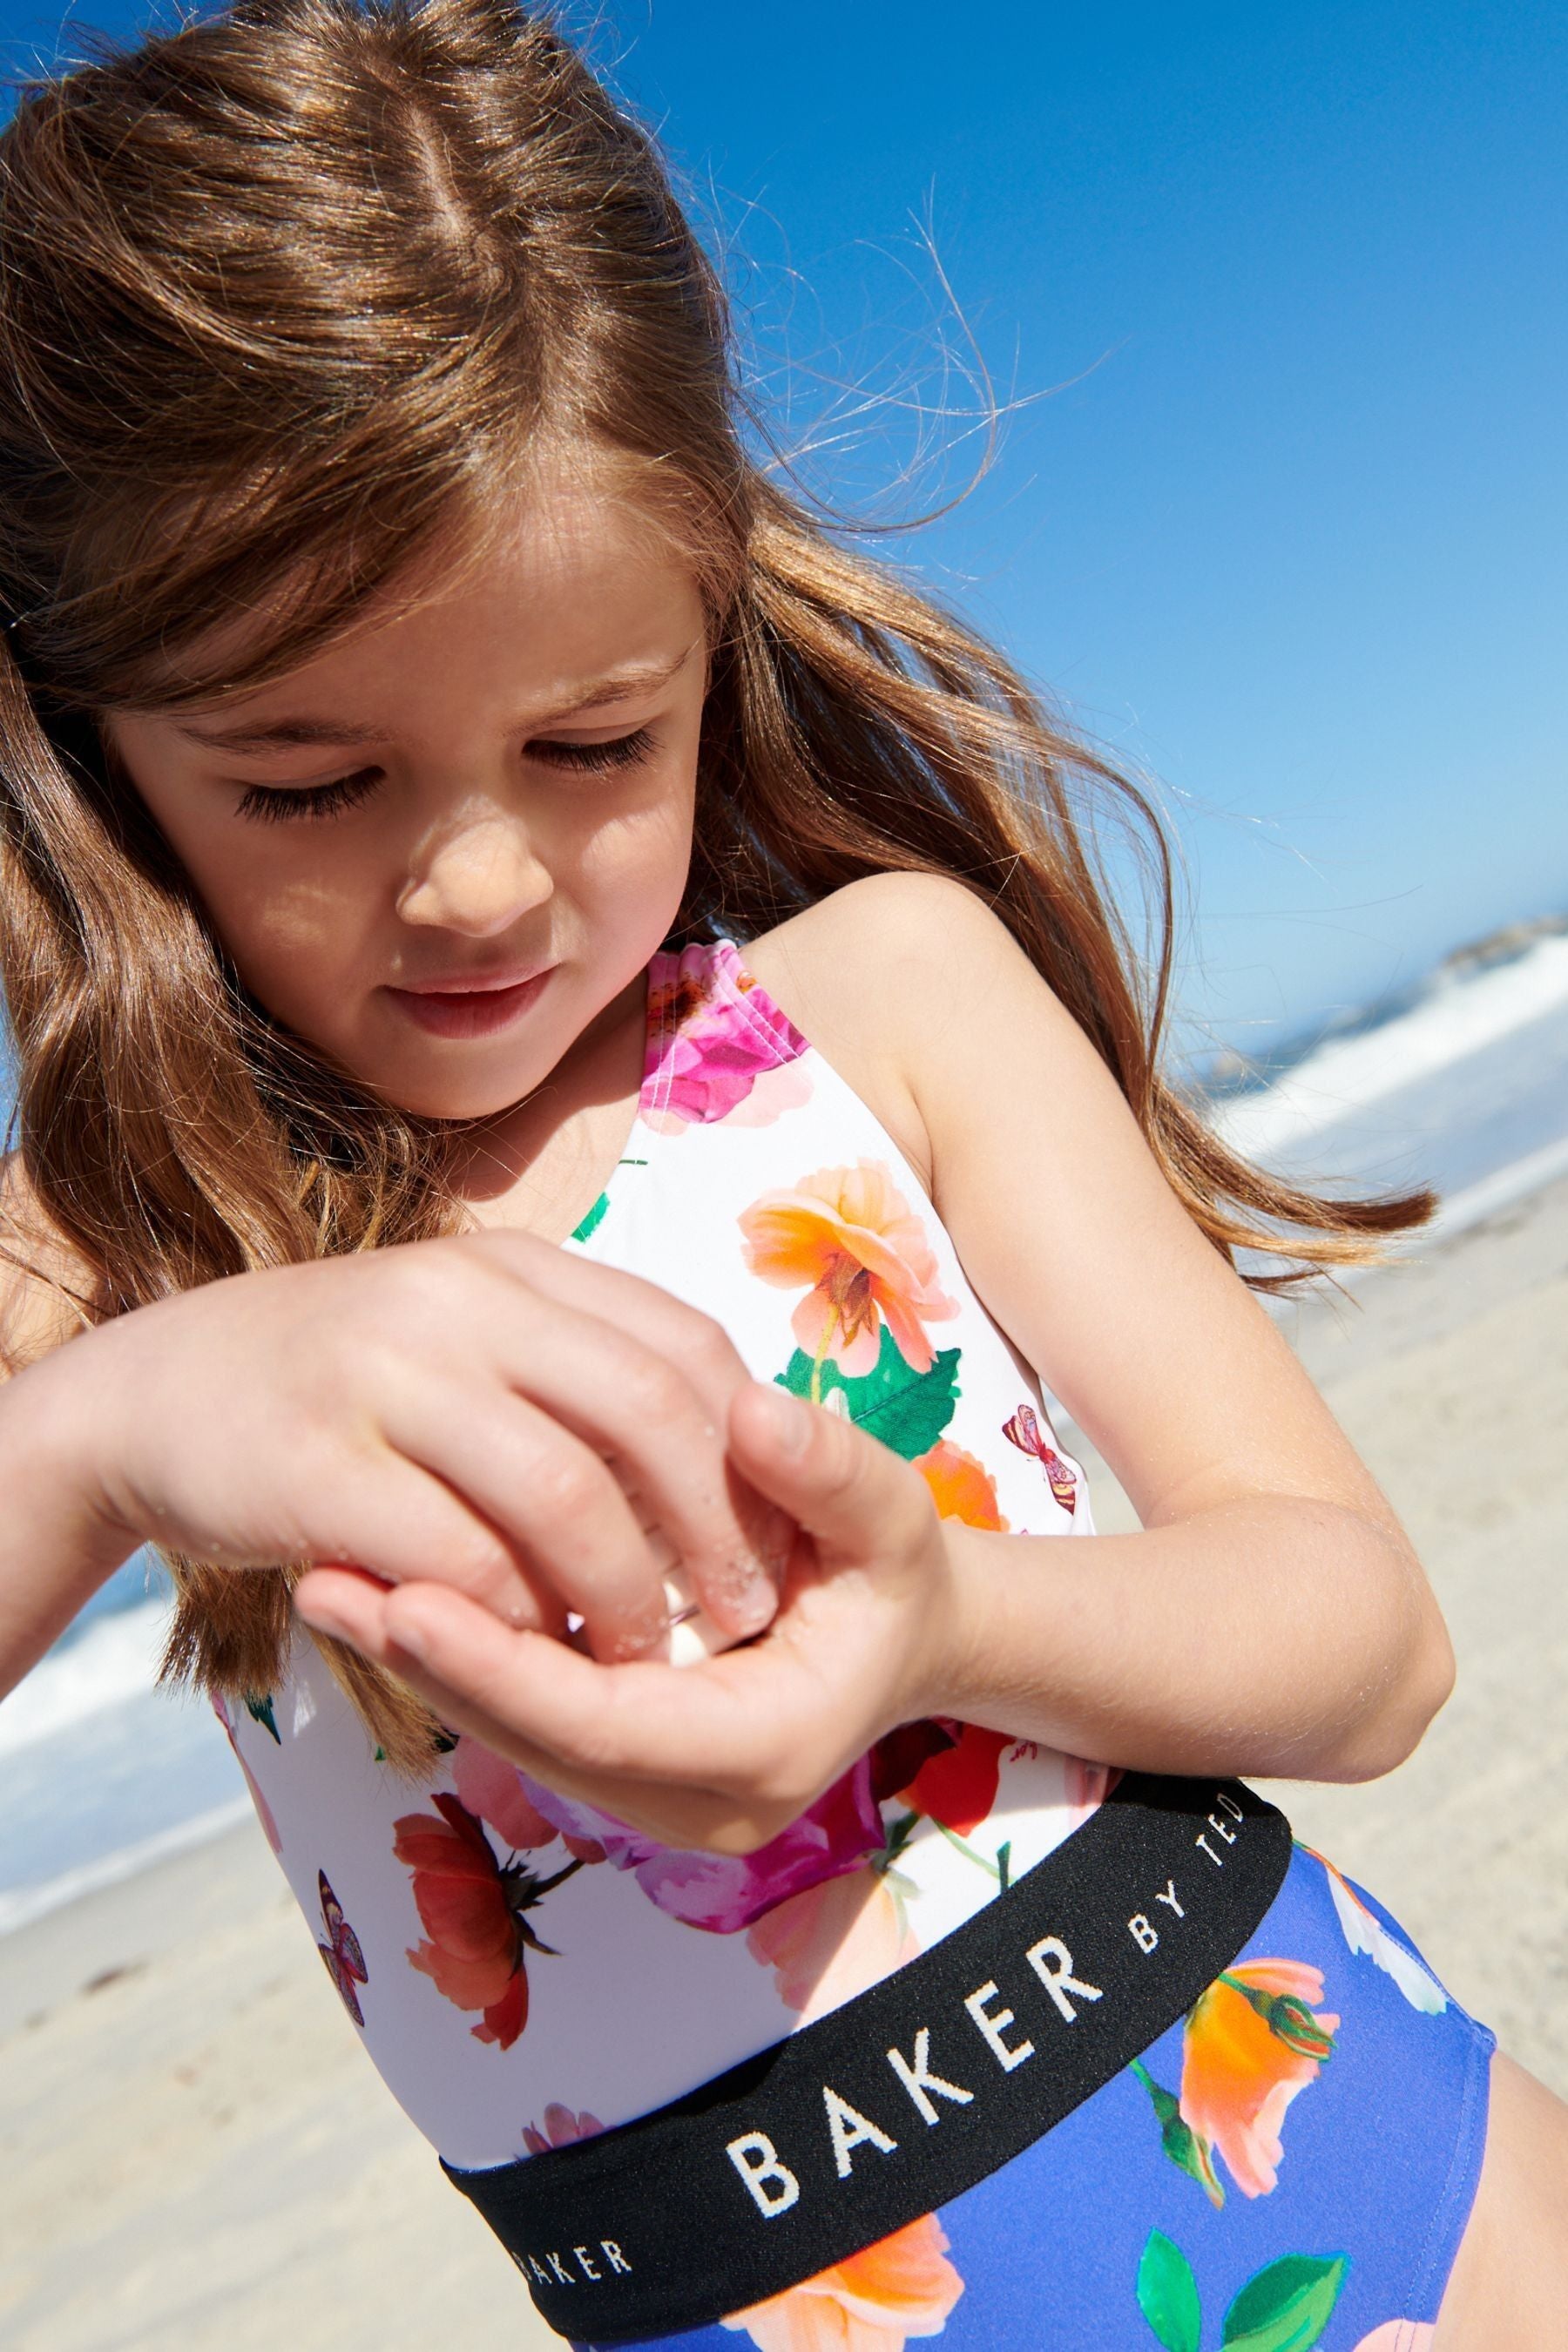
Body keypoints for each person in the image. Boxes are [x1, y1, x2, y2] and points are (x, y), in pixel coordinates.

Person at [0, 3, 1564, 2344]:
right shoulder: (108, 1262)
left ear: (710, 617)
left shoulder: (880, 1008)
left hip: (1369, 2157)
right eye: (307, 781)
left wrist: (944, 1622)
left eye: (588, 738)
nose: (476, 883)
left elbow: (1375, 1644)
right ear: (82, 744)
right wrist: (115, 1419)